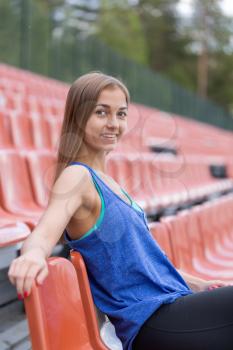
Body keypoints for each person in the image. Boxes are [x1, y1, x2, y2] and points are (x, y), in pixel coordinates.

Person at [8, 72, 233, 350]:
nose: (114, 124)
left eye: (121, 114)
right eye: (101, 113)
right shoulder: (78, 177)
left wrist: (199, 284)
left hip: (171, 304)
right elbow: (44, 233)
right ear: (78, 116)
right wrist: (32, 254)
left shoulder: (111, 183)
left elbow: (144, 263)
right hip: (151, 320)